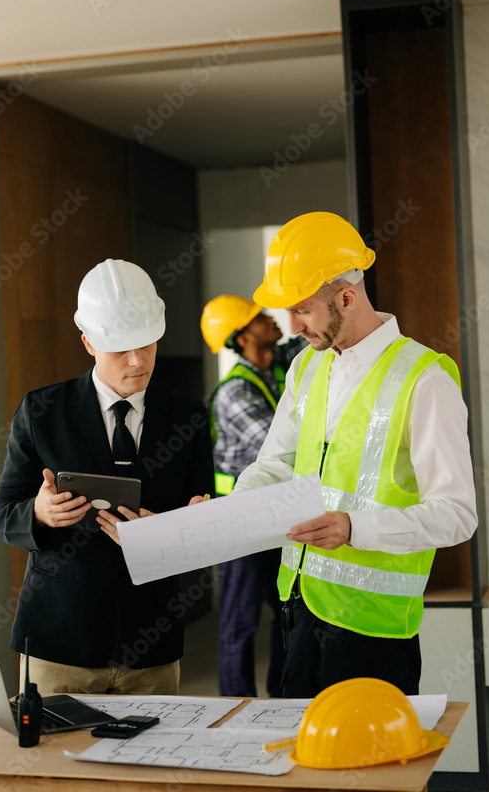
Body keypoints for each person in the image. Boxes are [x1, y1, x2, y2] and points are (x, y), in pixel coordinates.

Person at [232, 212, 478, 698]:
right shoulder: (305, 367)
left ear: (346, 297)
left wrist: (353, 528)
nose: (291, 327)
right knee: (302, 763)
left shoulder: (424, 379)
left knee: (370, 769)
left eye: (302, 311)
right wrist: (230, 509)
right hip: (298, 611)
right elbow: (275, 465)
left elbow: (457, 515)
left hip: (374, 631)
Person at [0, 259, 215, 696]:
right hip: (60, 643)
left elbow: (201, 511)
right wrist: (38, 512)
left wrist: (179, 529)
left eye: (147, 344)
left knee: (149, 763)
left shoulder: (187, 416)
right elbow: (2, 514)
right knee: (55, 763)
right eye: (121, 350)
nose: (138, 361)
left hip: (152, 642)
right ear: (89, 343)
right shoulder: (42, 411)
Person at [200, 295, 302, 698]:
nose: (271, 319)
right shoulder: (235, 392)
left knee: (285, 614)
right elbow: (277, 446)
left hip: (276, 515)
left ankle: (279, 699)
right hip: (239, 521)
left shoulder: (277, 366)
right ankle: (236, 705)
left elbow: (313, 339)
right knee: (239, 621)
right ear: (242, 338)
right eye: (258, 317)